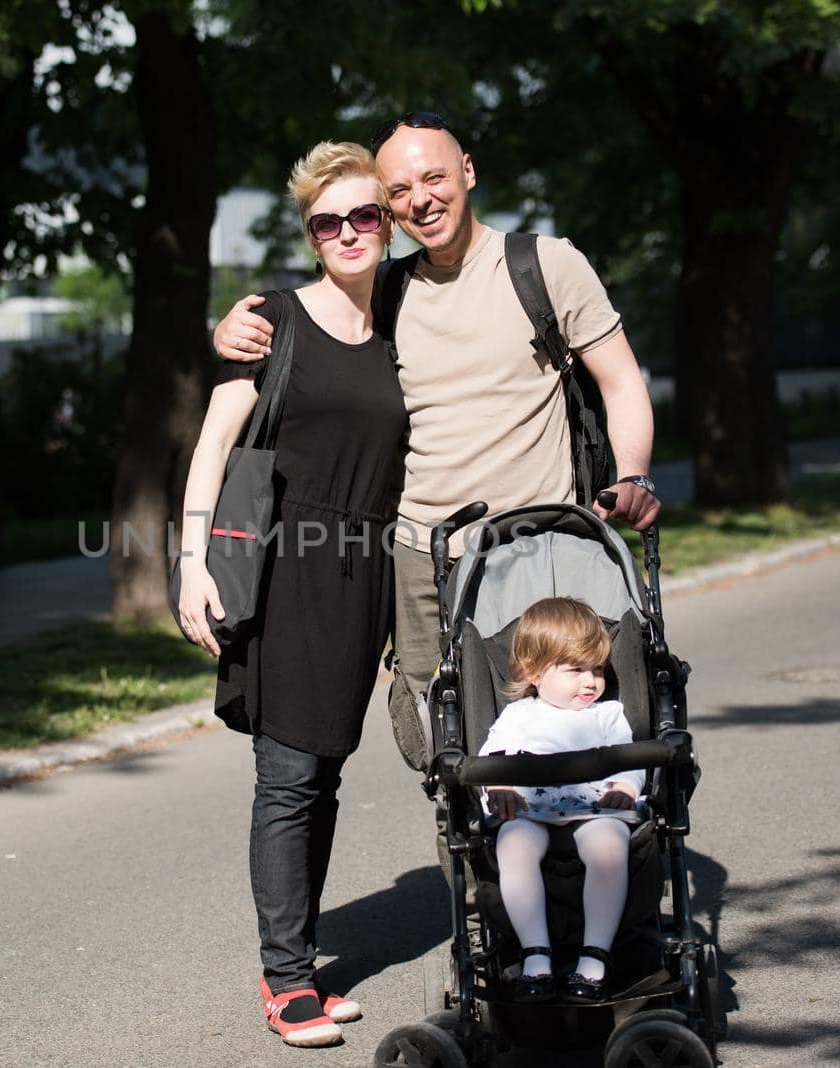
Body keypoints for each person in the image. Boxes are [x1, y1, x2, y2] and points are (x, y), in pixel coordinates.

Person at [212, 111, 661, 772]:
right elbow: (311, 325)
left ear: (468, 172)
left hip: (538, 544)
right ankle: (478, 875)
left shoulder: (543, 266)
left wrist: (634, 472)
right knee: (441, 739)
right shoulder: (385, 291)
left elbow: (621, 379)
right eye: (399, 190)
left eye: (435, 177)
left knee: (563, 720)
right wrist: (234, 332)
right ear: (388, 209)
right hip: (424, 557)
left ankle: (572, 858)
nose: (421, 198)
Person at [176, 141, 407, 1048]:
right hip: (287, 560)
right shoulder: (274, 318)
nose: (348, 234)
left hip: (371, 564)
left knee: (328, 767)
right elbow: (214, 441)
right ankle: (285, 981)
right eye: (328, 222)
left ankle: (301, 961)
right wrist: (192, 559)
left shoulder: (406, 314)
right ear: (310, 234)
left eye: (364, 217)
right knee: (289, 774)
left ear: (385, 223)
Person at [477, 596, 643, 1002]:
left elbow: (630, 756)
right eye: (576, 671)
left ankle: (594, 955)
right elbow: (490, 758)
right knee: (512, 843)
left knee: (608, 846)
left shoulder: (608, 714)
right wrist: (498, 786)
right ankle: (536, 952)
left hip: (594, 809)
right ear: (534, 672)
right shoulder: (519, 716)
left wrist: (626, 785)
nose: (591, 682)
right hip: (532, 811)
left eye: (598, 670)